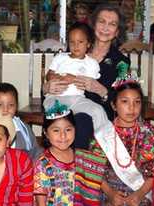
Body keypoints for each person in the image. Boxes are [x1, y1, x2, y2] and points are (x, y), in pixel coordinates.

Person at [42, 3, 131, 149]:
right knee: (66, 119)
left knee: (81, 120)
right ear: (93, 24)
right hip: (64, 105)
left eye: (112, 24)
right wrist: (46, 88)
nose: (105, 28)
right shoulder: (74, 49)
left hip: (98, 114)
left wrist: (101, 90)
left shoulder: (121, 62)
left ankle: (85, 165)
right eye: (101, 22)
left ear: (117, 31)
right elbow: (53, 78)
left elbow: (122, 101)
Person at [90, 63, 154, 205]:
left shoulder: (149, 133)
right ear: (114, 105)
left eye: (137, 102)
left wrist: (140, 193)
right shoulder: (102, 134)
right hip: (110, 192)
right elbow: (94, 170)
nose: (132, 107)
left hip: (142, 190)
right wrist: (110, 193)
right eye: (125, 102)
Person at [44, 22, 112, 153]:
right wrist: (59, 78)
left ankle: (102, 145)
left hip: (77, 99)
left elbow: (89, 83)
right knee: (56, 113)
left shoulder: (91, 64)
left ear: (88, 44)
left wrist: (72, 78)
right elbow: (49, 75)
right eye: (72, 42)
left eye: (80, 42)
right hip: (57, 97)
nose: (76, 46)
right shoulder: (60, 58)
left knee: (98, 111)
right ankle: (56, 148)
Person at [34, 100, 106, 205]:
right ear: (46, 133)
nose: (63, 136)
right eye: (56, 131)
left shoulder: (81, 157)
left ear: (75, 130)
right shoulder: (41, 164)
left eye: (68, 130)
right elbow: (41, 203)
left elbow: (95, 178)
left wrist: (111, 193)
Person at [0, 82, 41, 159]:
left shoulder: (24, 130)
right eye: (0, 105)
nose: (6, 109)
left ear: (16, 106)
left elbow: (34, 156)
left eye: (11, 105)